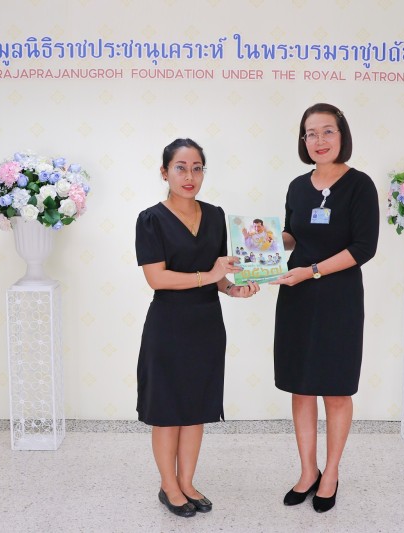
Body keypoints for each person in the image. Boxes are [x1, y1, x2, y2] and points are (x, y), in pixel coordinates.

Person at [135, 138, 260, 518]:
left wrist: (234, 289)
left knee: (195, 408)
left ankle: (187, 482)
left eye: (197, 168)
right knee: (167, 410)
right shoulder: (150, 219)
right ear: (164, 172)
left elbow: (219, 273)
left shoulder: (216, 215)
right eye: (180, 167)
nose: (189, 176)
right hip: (168, 325)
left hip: (207, 324)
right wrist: (211, 274)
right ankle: (168, 486)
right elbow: (157, 278)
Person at [271, 103, 379, 513]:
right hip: (297, 298)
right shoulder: (298, 186)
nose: (319, 140)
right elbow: (292, 235)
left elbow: (363, 248)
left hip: (339, 299)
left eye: (327, 131)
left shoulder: (360, 185)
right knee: (301, 388)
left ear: (342, 135)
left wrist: (312, 271)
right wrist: (258, 242)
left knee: (335, 389)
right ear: (303, 140)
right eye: (311, 133)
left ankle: (330, 473)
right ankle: (307, 471)